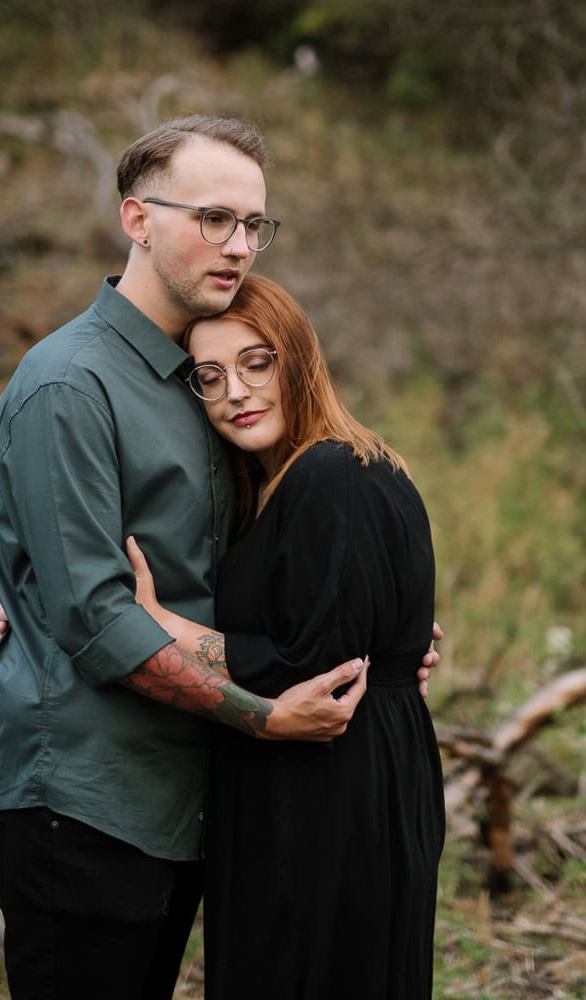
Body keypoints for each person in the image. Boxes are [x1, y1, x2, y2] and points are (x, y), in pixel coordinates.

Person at [0, 116, 437, 1000]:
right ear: (137, 219)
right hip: (86, 802)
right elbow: (95, 616)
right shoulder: (70, 382)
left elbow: (223, 562)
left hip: (190, 802)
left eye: (255, 225)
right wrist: (263, 714)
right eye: (213, 219)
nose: (239, 246)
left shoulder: (195, 374)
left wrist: (372, 634)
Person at [126, 273, 446, 999]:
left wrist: (162, 627)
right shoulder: (281, 480)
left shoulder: (331, 472)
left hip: (332, 785)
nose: (235, 391)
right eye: (210, 377)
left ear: (298, 360)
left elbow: (313, 663)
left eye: (256, 363)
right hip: (321, 772)